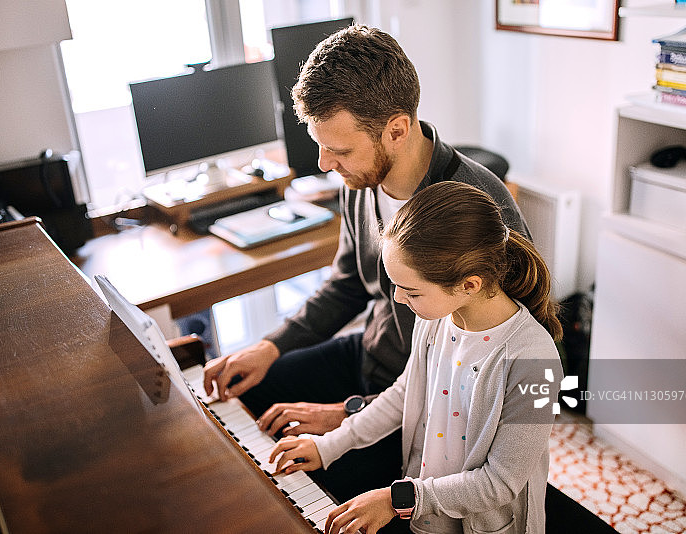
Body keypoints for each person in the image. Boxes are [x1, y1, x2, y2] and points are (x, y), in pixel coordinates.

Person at [203, 25, 529, 501]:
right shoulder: (360, 180)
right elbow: (346, 285)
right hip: (371, 357)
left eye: (338, 150)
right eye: (320, 145)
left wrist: (351, 412)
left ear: (396, 129)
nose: (322, 163)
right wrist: (270, 348)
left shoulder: (477, 205)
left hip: (427, 403)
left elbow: (493, 371)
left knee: (291, 485)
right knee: (247, 391)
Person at [269, 181, 563, 534]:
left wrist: (398, 499)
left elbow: (500, 483)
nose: (397, 299)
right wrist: (328, 445)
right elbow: (402, 395)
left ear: (469, 285)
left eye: (411, 291)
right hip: (427, 512)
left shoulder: (536, 361)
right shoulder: (436, 319)